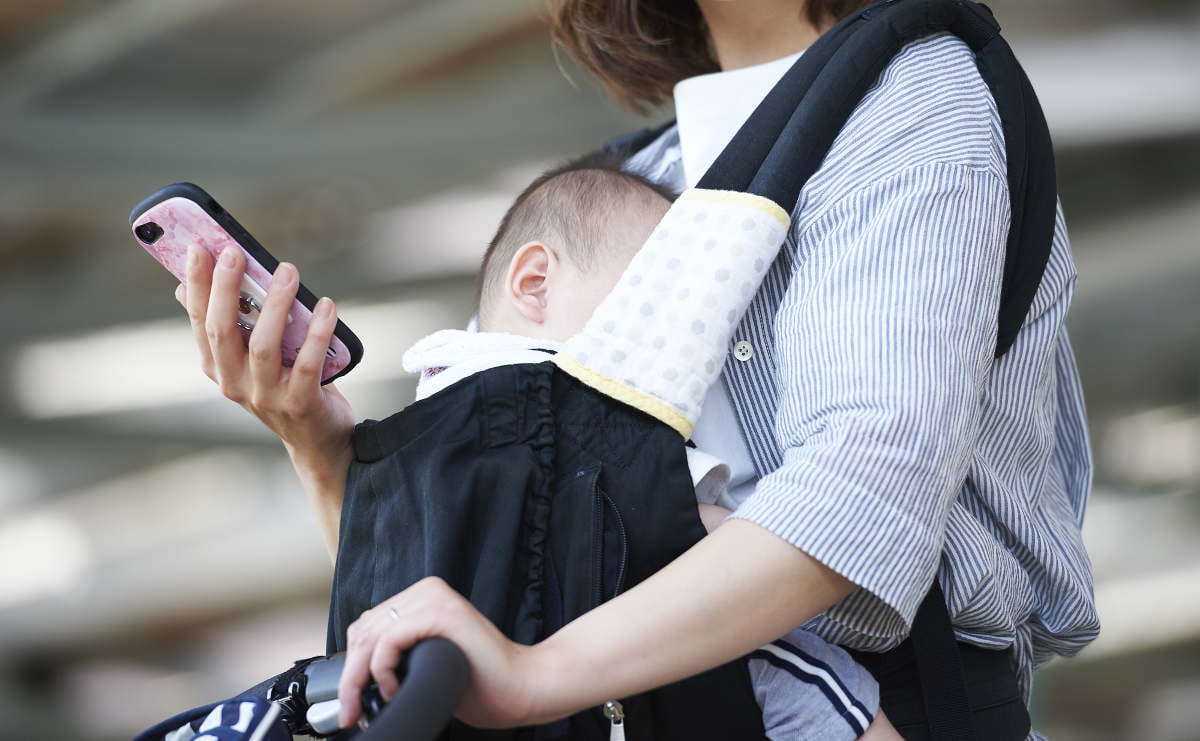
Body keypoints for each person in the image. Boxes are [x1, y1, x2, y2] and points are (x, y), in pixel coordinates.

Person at [176, 0, 1099, 738]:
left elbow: (866, 482)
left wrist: (536, 673)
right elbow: (488, 561)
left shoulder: (917, 96)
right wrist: (316, 437)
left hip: (896, 698)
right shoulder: (645, 178)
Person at [391, 152, 898, 740]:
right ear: (535, 284)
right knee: (815, 675)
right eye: (653, 312)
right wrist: (753, 538)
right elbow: (687, 523)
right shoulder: (583, 402)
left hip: (499, 645)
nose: (672, 349)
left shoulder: (435, 396)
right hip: (610, 638)